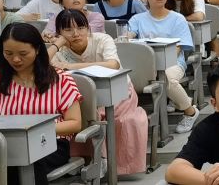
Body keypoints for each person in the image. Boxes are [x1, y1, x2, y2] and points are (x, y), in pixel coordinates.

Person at [0, 23, 83, 184]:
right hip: (5, 143)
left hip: (49, 142)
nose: (15, 59)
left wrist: (31, 131)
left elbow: (75, 123)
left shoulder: (60, 79)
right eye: (8, 53)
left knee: (26, 161)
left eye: (23, 53)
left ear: (37, 49)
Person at [47, 9, 148, 175]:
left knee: (96, 115)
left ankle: (100, 159)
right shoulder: (60, 50)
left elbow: (113, 64)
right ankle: (88, 159)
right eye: (68, 30)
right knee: (81, 112)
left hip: (119, 92)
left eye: (81, 28)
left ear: (88, 28)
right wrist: (57, 44)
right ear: (59, 32)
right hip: (83, 98)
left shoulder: (102, 39)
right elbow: (39, 66)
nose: (76, 34)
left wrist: (70, 67)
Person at [129, 0, 200, 133]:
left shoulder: (178, 18)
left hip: (172, 62)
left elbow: (179, 48)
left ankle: (190, 112)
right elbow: (129, 37)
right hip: (144, 65)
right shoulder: (137, 19)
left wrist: (160, 62)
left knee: (166, 77)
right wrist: (126, 36)